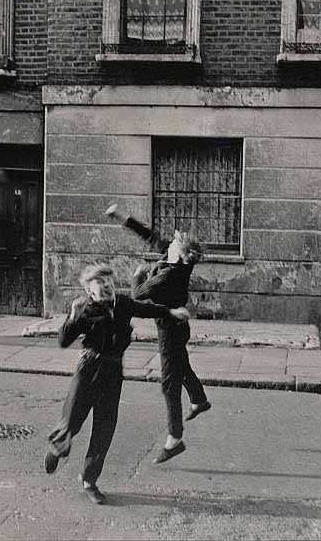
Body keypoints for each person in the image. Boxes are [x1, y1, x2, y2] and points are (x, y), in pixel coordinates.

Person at [44, 263, 190, 504]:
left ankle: (89, 480)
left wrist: (171, 312)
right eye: (100, 286)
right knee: (71, 420)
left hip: (113, 373)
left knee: (104, 428)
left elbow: (146, 309)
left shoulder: (122, 304)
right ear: (90, 291)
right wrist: (72, 316)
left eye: (109, 284)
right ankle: (57, 448)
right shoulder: (86, 311)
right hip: (88, 370)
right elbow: (63, 340)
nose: (107, 288)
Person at [105, 204, 211, 464]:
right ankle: (199, 399)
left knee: (169, 383)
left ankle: (175, 439)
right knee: (180, 364)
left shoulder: (167, 275)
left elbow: (138, 295)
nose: (169, 242)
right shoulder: (172, 258)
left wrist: (137, 275)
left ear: (181, 255)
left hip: (170, 331)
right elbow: (150, 236)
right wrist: (122, 218)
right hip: (178, 327)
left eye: (174, 242)